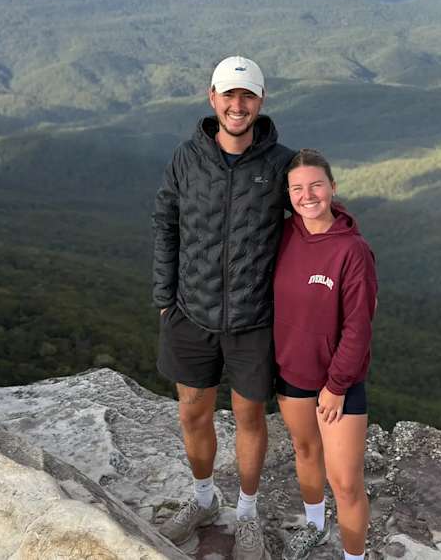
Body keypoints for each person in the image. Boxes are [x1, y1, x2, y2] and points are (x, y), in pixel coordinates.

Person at [152, 55, 294, 560]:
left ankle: (248, 514)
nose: (238, 105)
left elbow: (312, 225)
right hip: (191, 314)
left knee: (250, 417)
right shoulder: (186, 158)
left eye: (248, 96)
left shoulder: (282, 164)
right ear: (211, 98)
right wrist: (165, 301)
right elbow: (166, 224)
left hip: (255, 321)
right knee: (194, 412)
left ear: (261, 101)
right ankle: (204, 499)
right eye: (229, 95)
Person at [272, 149, 378, 560]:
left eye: (316, 185)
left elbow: (359, 328)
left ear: (333, 187)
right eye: (297, 188)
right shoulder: (284, 235)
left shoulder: (353, 250)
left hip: (338, 383)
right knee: (305, 452)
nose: (307, 195)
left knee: (347, 482)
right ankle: (315, 525)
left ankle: (354, 557)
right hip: (292, 372)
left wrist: (335, 387)